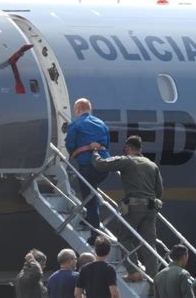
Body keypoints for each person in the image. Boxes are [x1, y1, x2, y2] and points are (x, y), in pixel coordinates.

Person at [92, 135, 163, 284]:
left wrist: (95, 152)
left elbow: (101, 165)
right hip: (151, 208)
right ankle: (154, 279)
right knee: (149, 244)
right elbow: (159, 191)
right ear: (140, 149)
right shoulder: (152, 165)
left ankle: (133, 271)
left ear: (128, 148)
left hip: (134, 207)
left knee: (124, 237)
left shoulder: (127, 161)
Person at [65, 98, 111, 245]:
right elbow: (107, 144)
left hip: (88, 166)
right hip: (104, 165)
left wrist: (75, 152)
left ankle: (95, 235)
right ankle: (91, 221)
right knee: (92, 193)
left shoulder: (76, 125)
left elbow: (70, 145)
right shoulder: (101, 123)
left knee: (90, 199)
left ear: (78, 109)